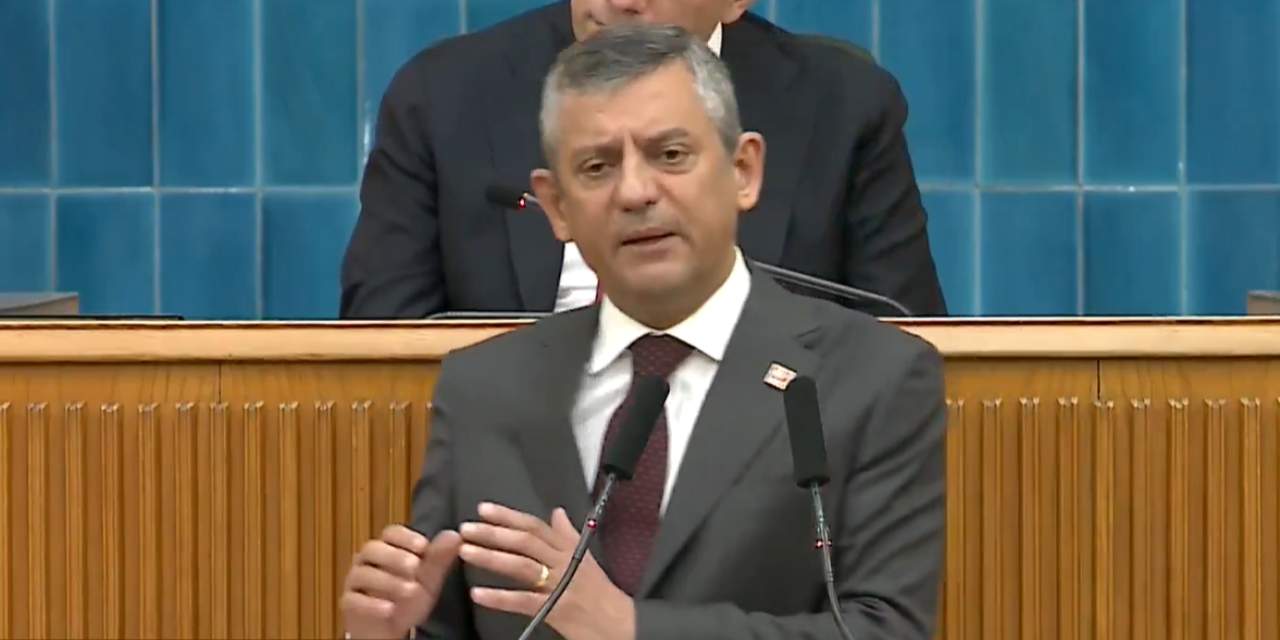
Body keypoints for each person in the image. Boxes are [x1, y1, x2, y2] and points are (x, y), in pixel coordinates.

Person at [340, 25, 945, 640]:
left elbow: (886, 631)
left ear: (743, 170)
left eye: (670, 155)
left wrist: (626, 627)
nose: (634, 192)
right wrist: (385, 634)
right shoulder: (484, 389)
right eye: (597, 167)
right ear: (556, 207)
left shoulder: (871, 379)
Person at [340, 0, 948, 319]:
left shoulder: (845, 107)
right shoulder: (442, 97)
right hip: (511, 472)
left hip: (763, 478)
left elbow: (905, 349)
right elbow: (380, 352)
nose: (620, 0)